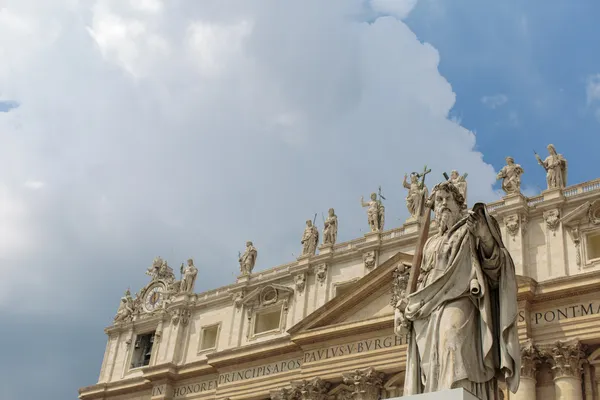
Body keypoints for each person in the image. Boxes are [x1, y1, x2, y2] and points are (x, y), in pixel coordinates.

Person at [396, 181, 520, 399]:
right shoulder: (431, 243)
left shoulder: (470, 229)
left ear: (459, 203)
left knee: (452, 340)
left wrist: (484, 236)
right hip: (428, 308)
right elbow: (423, 278)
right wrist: (407, 306)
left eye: (447, 199)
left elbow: (496, 265)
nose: (443, 205)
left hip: (460, 298)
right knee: (433, 361)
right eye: (438, 201)